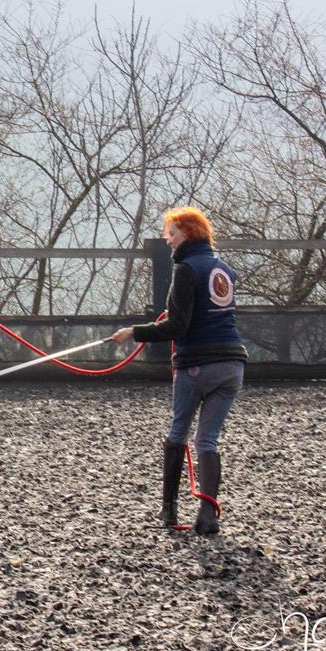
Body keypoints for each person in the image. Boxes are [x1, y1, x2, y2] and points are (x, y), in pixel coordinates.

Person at [110, 207, 247, 536]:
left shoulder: (186, 269)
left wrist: (135, 332)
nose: (167, 240)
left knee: (178, 434)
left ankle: (169, 511)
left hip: (197, 365)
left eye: (171, 233)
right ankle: (208, 516)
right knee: (208, 441)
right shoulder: (225, 270)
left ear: (187, 233)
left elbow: (178, 325)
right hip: (233, 366)